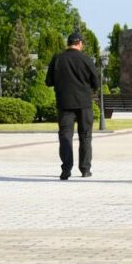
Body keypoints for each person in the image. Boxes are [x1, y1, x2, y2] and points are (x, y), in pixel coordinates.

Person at [45, 32, 100, 180]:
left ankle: (66, 169)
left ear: (68, 43)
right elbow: (96, 82)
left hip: (64, 103)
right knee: (85, 135)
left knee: (65, 136)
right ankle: (85, 169)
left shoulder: (57, 59)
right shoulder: (86, 59)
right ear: (80, 43)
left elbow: (48, 81)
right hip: (84, 103)